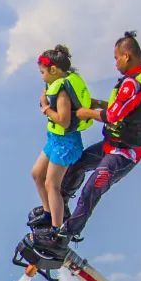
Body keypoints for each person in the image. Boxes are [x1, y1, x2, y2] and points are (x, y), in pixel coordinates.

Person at [35, 31, 141, 254]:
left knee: (93, 187)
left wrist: (87, 112)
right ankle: (60, 214)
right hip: (110, 145)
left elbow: (113, 116)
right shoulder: (140, 80)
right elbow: (118, 107)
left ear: (127, 56)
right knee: (76, 166)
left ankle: (66, 234)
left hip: (124, 153)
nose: (115, 63)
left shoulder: (134, 83)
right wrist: (96, 103)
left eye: (116, 58)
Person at [29, 45, 93, 240]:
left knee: (51, 184)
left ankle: (57, 229)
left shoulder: (63, 92)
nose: (42, 77)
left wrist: (46, 109)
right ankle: (49, 214)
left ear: (54, 70)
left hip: (66, 143)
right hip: (54, 139)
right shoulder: (54, 85)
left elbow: (64, 120)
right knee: (37, 174)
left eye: (43, 72)